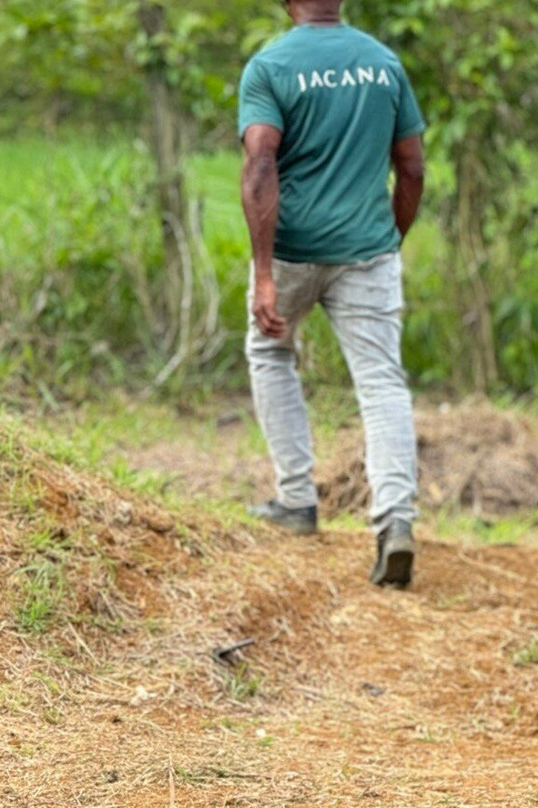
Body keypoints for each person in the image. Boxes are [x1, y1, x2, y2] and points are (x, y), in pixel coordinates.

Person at [238, 0, 426, 586]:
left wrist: (265, 273)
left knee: (271, 352)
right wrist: (388, 239)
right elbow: (413, 166)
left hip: (292, 250)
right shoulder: (383, 63)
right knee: (380, 381)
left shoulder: (271, 65)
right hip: (367, 249)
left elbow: (260, 165)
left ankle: (296, 501)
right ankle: (395, 522)